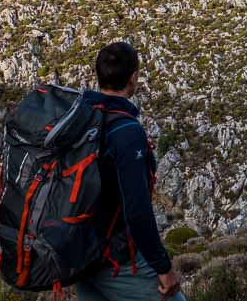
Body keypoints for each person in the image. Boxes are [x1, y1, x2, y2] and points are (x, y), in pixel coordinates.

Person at [76, 41, 185, 301]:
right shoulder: (127, 131)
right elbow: (137, 211)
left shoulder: (83, 121)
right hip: (116, 261)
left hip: (80, 255)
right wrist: (163, 268)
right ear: (133, 78)